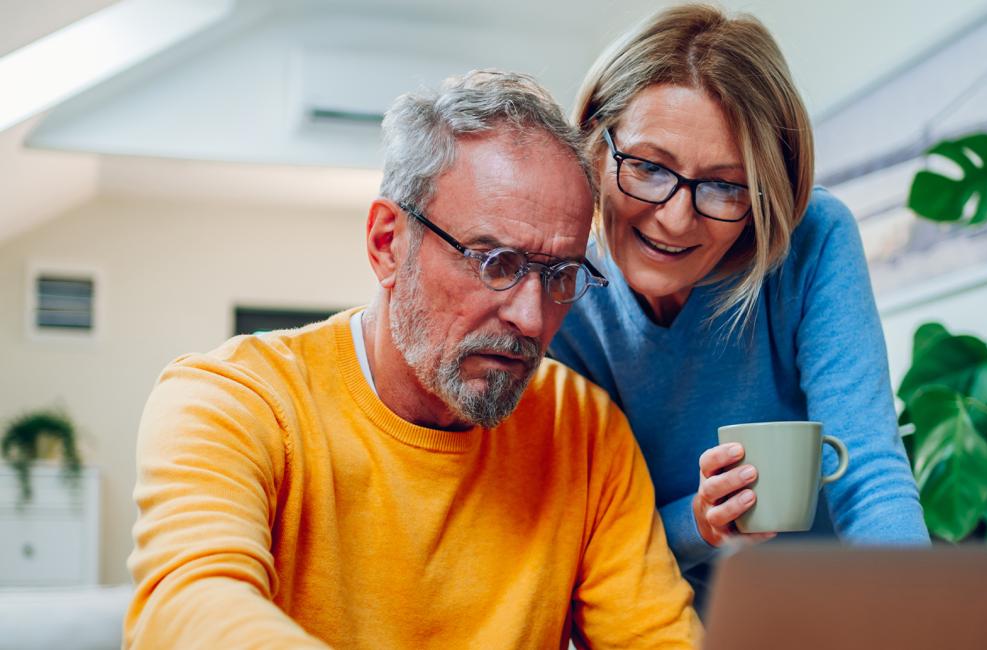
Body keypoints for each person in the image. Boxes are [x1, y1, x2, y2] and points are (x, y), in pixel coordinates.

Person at [124, 70, 700, 648]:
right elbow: (189, 608)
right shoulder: (233, 400)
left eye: (560, 275)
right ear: (387, 243)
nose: (531, 318)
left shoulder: (583, 429)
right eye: (495, 262)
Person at [549, 4, 930, 612]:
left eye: (725, 186)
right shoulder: (557, 291)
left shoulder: (813, 240)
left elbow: (870, 476)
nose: (676, 218)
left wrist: (922, 616)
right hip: (668, 625)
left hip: (840, 609)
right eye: (647, 167)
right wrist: (699, 523)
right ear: (594, 143)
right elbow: (584, 549)